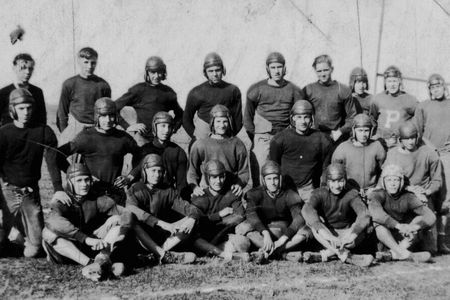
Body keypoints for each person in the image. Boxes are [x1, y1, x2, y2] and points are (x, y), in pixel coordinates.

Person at [42, 163, 135, 281]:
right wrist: (86, 239)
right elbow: (53, 221)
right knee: (48, 233)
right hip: (68, 249)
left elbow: (126, 213)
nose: (84, 184)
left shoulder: (96, 198)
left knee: (116, 220)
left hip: (90, 245)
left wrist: (123, 233)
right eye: (79, 180)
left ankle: (100, 260)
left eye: (87, 180)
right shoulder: (62, 199)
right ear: (70, 182)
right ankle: (89, 263)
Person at [0, 88, 62, 258]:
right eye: (21, 108)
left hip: (30, 192)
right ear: (12, 109)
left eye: (28, 108)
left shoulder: (43, 131)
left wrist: (58, 188)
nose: (25, 112)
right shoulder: (4, 132)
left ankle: (19, 237)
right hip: (7, 191)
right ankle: (10, 233)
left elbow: (52, 162)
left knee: (34, 250)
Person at [57, 98, 140, 204]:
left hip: (115, 194)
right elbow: (58, 155)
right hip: (90, 195)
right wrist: (78, 173)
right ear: (97, 116)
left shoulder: (123, 138)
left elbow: (142, 156)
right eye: (104, 116)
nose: (108, 120)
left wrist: (129, 177)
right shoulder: (85, 137)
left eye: (111, 115)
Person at [125, 154, 199, 264]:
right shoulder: (136, 189)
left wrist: (192, 218)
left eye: (160, 171)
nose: (157, 175)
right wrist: (161, 223)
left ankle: (156, 255)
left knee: (191, 219)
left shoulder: (168, 191)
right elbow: (131, 209)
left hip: (161, 236)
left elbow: (188, 207)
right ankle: (162, 254)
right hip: (141, 237)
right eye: (153, 171)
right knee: (131, 220)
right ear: (145, 171)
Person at [383, 121, 443, 254]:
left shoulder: (429, 153)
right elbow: (387, 178)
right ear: (400, 140)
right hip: (401, 196)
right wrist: (410, 189)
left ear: (418, 137)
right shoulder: (393, 154)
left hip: (423, 198)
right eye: (407, 139)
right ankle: (398, 248)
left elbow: (437, 180)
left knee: (431, 249)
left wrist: (426, 191)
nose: (410, 141)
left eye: (413, 138)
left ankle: (398, 250)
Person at [244, 52, 304, 179]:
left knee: (287, 172)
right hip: (263, 137)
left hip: (285, 136)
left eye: (279, 67)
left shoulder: (294, 90)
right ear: (268, 69)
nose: (276, 71)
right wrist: (256, 137)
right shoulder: (256, 89)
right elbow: (248, 119)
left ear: (284, 68)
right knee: (261, 171)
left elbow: (300, 114)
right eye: (273, 67)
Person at [236, 160, 311, 262]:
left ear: (280, 179)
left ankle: (273, 251)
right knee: (243, 227)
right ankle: (282, 254)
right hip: (263, 234)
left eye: (275, 178)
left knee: (308, 229)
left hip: (284, 233)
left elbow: (298, 218)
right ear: (263, 180)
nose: (272, 182)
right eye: (269, 179)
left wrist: (283, 239)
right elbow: (251, 215)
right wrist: (265, 232)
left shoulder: (289, 194)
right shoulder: (255, 193)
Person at [301, 163, 374, 267]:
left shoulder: (351, 193)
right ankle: (345, 256)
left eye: (340, 181)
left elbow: (364, 214)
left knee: (364, 226)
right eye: (333, 181)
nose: (337, 185)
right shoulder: (319, 193)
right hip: (328, 234)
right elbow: (307, 209)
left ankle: (327, 254)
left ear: (345, 180)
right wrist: (327, 235)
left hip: (346, 235)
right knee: (312, 224)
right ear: (327, 181)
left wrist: (352, 235)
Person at [368, 164, 435, 262]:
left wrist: (413, 227)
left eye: (396, 180)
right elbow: (378, 215)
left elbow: (430, 216)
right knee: (378, 224)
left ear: (401, 182)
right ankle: (405, 254)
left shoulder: (408, 197)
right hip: (385, 238)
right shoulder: (377, 195)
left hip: (404, 238)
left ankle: (392, 254)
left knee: (419, 219)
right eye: (389, 180)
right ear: (383, 182)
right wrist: (399, 226)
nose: (393, 184)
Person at [269, 100, 332, 201]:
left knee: (311, 212)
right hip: (285, 189)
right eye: (299, 117)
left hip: (307, 189)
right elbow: (274, 166)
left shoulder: (322, 139)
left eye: (306, 117)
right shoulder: (280, 139)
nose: (302, 121)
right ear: (293, 118)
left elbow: (326, 167)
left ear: (311, 118)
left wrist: (324, 186)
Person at [415, 73, 450, 253]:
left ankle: (442, 239)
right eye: (432, 87)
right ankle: (427, 238)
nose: (436, 90)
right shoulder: (423, 106)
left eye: (439, 86)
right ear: (429, 90)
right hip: (428, 154)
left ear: (444, 87)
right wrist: (430, 148)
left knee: (445, 199)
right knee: (427, 194)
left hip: (446, 155)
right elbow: (416, 131)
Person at [115, 56, 183, 146]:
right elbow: (112, 107)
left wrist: (173, 127)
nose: (156, 76)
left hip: (162, 141)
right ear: (147, 72)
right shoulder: (138, 90)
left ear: (164, 72)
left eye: (159, 72)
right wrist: (128, 126)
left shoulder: (168, 92)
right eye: (153, 72)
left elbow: (181, 114)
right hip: (142, 140)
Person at [191, 160, 251, 261]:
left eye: (221, 177)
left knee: (244, 243)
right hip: (204, 237)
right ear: (207, 178)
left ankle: (213, 252)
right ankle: (226, 254)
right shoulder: (200, 196)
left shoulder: (231, 193)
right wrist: (219, 214)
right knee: (196, 241)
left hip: (224, 236)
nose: (218, 181)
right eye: (214, 177)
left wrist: (217, 225)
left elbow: (239, 216)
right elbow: (197, 221)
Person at [188, 104, 248, 197]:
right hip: (206, 192)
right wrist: (194, 187)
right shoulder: (200, 144)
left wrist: (239, 184)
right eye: (218, 121)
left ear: (230, 122)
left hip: (229, 191)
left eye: (225, 121)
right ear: (212, 122)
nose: (222, 125)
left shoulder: (237, 144)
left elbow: (243, 172)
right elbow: (192, 171)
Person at [125, 111, 189, 198]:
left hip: (166, 195)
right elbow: (134, 178)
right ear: (155, 127)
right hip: (145, 194)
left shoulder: (178, 152)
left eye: (169, 126)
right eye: (162, 126)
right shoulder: (143, 150)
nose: (166, 130)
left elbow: (181, 184)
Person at [56, 47, 111, 145]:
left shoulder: (103, 85)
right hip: (75, 127)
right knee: (66, 157)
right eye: (86, 62)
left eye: (93, 63)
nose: (89, 66)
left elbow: (108, 111)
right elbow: (62, 111)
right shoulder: (69, 83)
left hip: (96, 129)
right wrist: (65, 132)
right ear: (79, 62)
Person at [183, 52, 242, 142]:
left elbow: (238, 119)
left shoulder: (233, 90)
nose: (215, 74)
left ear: (223, 70)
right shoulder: (196, 92)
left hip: (224, 132)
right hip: (203, 133)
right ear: (205, 72)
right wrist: (195, 137)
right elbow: (186, 119)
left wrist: (231, 137)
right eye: (210, 71)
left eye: (217, 70)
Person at [303, 54, 358, 145]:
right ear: (315, 71)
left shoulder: (342, 90)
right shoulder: (308, 90)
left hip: (335, 136)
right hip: (314, 135)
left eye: (326, 70)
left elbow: (352, 117)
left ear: (331, 69)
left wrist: (340, 131)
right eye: (319, 71)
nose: (323, 74)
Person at [332, 113, 386, 198]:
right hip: (349, 190)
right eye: (360, 130)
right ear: (354, 131)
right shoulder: (343, 148)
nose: (363, 134)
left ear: (371, 131)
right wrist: (350, 188)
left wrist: (377, 187)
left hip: (372, 190)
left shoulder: (377, 146)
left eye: (366, 130)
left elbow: (384, 171)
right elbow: (335, 173)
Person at [369, 66, 417, 149]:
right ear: (385, 83)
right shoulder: (378, 98)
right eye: (389, 81)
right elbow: (372, 118)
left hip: (399, 143)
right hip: (381, 141)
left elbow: (419, 117)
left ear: (400, 82)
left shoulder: (409, 99)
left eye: (395, 81)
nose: (392, 85)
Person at [0, 53, 47, 126]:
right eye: (23, 68)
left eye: (30, 68)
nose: (28, 72)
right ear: (14, 68)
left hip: (32, 135)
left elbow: (42, 120)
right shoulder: (3, 92)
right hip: (9, 135)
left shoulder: (37, 92)